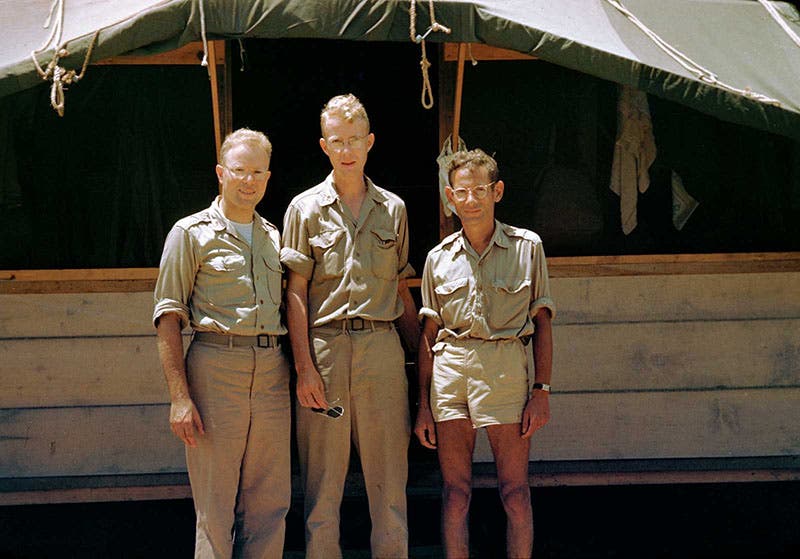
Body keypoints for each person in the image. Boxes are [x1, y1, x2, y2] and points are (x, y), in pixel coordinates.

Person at [281, 93, 419, 559]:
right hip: (326, 353)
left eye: (355, 139)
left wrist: (421, 361)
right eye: (337, 140)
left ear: (370, 141)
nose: (347, 149)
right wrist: (304, 368)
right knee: (322, 485)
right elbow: (295, 292)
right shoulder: (304, 209)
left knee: (389, 487)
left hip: (381, 355)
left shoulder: (394, 209)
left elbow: (401, 292)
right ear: (323, 145)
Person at [153, 128, 290, 558]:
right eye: (239, 171)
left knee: (270, 502)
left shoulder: (274, 236)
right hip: (216, 367)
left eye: (257, 172)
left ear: (267, 177)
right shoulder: (189, 233)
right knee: (214, 508)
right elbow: (168, 315)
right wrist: (179, 397)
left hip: (271, 370)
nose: (248, 181)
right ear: (220, 173)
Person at [414, 149, 555, 559]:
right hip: (451, 373)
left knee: (514, 493)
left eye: (480, 190)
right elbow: (428, 335)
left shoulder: (527, 248)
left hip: (506, 371)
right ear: (449, 197)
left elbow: (544, 323)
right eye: (462, 192)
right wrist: (423, 404)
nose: (471, 200)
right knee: (456, 494)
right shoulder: (437, 259)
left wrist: (541, 390)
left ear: (497, 191)